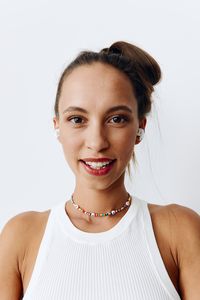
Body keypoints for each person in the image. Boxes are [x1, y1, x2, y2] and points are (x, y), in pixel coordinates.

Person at [0, 41, 199, 300]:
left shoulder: (180, 230)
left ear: (140, 128)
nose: (97, 142)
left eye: (116, 119)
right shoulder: (21, 237)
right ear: (57, 126)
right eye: (77, 119)